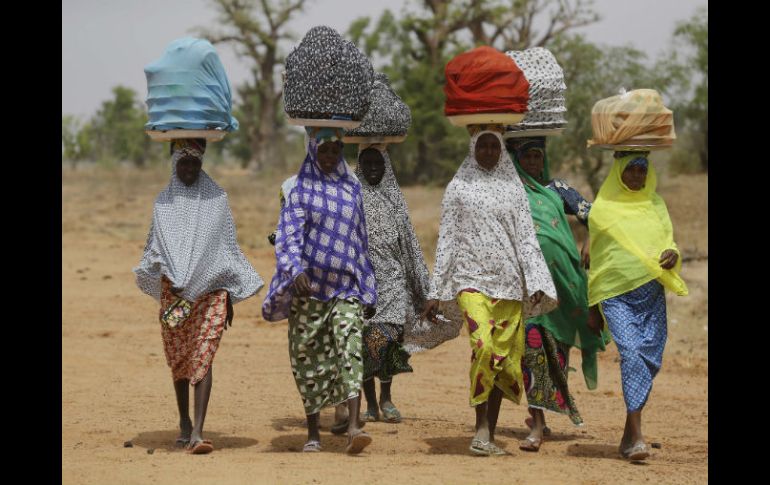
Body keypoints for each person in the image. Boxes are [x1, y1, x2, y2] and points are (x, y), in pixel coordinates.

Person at [422, 126, 558, 456]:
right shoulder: (458, 187)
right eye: (481, 146)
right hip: (471, 281)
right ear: (472, 149)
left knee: (503, 359)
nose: (487, 152)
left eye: (493, 147)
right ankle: (480, 425)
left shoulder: (513, 188)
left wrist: (537, 281)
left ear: (501, 151)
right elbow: (448, 239)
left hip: (509, 285)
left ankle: (488, 434)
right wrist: (436, 289)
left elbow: (526, 238)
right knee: (482, 345)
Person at [134, 138, 264, 454]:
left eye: (195, 162)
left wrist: (230, 296)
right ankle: (182, 421)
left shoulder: (217, 199)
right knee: (180, 359)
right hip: (174, 295)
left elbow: (226, 250)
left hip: (211, 292)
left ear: (202, 164)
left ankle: (197, 431)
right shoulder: (163, 204)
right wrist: (171, 274)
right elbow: (154, 249)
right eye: (184, 162)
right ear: (174, 165)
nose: (190, 168)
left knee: (203, 354)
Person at [262, 127, 377, 454]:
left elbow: (360, 242)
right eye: (323, 150)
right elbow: (288, 235)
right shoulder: (298, 190)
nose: (329, 157)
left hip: (345, 287)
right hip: (308, 290)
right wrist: (295, 270)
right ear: (312, 150)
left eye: (335, 151)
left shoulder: (352, 189)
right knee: (307, 357)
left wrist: (366, 287)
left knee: (350, 346)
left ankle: (354, 426)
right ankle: (313, 432)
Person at [507, 136, 608, 451]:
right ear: (517, 160)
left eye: (538, 157)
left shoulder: (557, 189)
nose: (534, 163)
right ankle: (536, 424)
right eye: (527, 157)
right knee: (533, 347)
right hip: (530, 288)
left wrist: (590, 242)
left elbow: (596, 216)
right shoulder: (509, 192)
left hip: (566, 285)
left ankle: (542, 412)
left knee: (557, 355)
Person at [586, 151, 688, 461]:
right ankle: (638, 436)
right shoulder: (603, 208)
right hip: (615, 294)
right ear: (618, 171)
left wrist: (673, 253)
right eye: (630, 170)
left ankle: (628, 435)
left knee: (648, 360)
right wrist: (593, 308)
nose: (636, 176)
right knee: (630, 354)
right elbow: (597, 260)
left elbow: (667, 240)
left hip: (651, 295)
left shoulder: (655, 204)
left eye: (641, 170)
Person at [354, 144, 431, 424]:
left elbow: (410, 244)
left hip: (395, 281)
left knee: (387, 340)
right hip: (365, 284)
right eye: (368, 163)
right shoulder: (352, 198)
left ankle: (387, 398)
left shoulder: (394, 199)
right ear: (360, 166)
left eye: (379, 163)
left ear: (386, 166)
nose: (374, 168)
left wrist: (421, 288)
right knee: (366, 343)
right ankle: (372, 405)